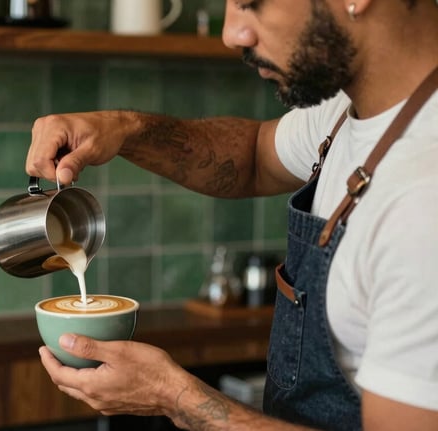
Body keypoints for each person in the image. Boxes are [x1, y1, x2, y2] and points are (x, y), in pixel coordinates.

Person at [24, 0, 438, 430]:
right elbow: (254, 156)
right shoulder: (345, 112)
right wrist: (123, 129)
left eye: (250, 3)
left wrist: (175, 396)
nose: (232, 33)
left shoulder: (424, 203)